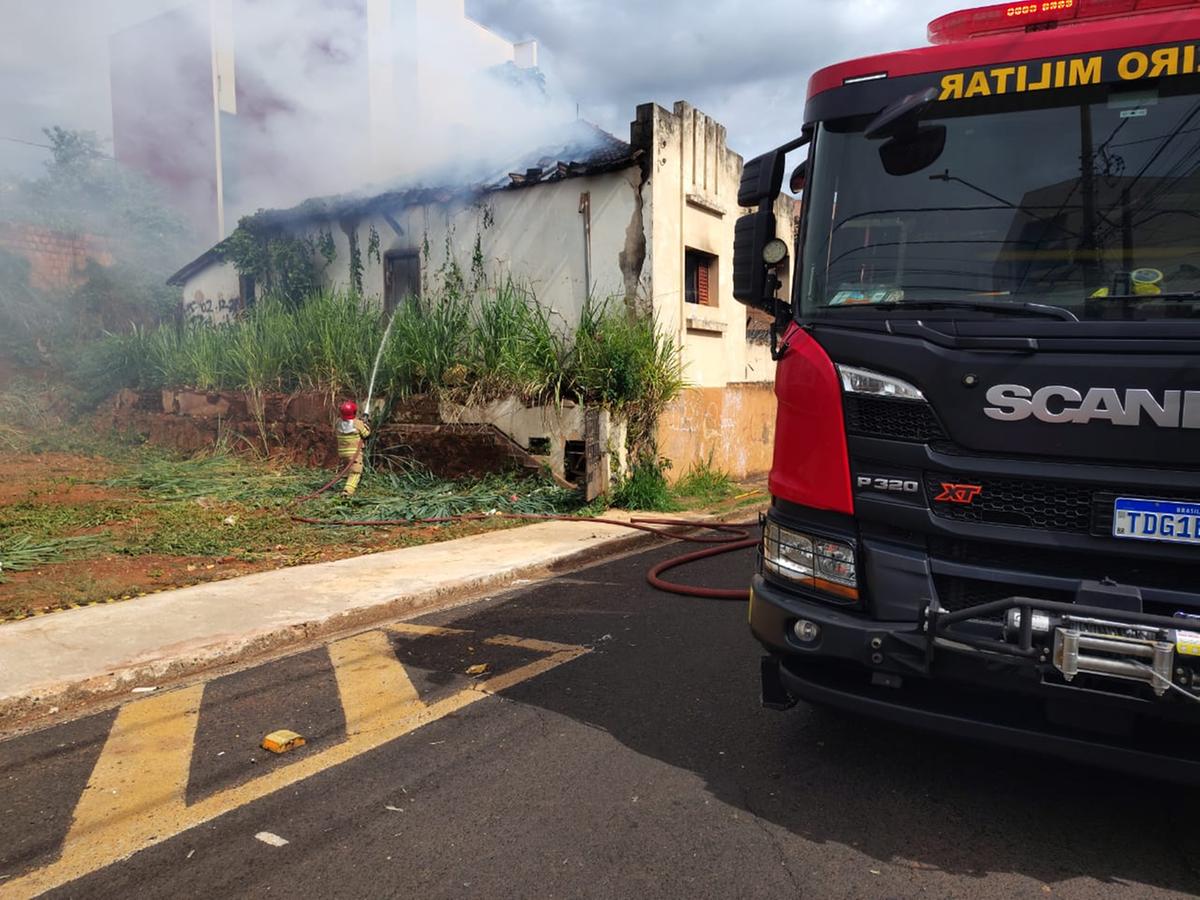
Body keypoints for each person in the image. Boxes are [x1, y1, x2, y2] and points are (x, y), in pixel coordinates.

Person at [335, 400, 371, 496]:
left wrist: (360, 421)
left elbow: (349, 423)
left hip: (342, 453)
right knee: (355, 472)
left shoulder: (338, 422)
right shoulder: (358, 424)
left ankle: (346, 482)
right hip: (354, 454)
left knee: (347, 469)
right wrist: (366, 425)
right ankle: (347, 492)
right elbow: (366, 434)